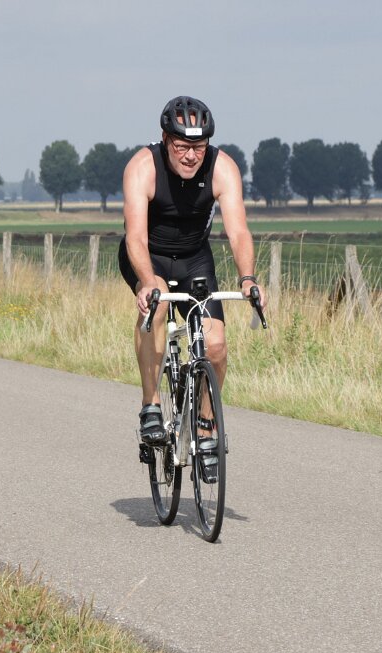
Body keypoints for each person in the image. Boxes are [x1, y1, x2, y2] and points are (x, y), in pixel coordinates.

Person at [119, 95, 263, 450]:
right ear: (165, 139)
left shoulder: (223, 167)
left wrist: (247, 278)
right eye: (182, 146)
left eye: (198, 147)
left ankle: (205, 425)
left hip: (194, 259)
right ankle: (151, 405)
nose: (190, 156)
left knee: (215, 345)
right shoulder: (142, 167)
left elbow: (238, 231)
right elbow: (135, 237)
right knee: (158, 307)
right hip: (148, 256)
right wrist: (147, 281)